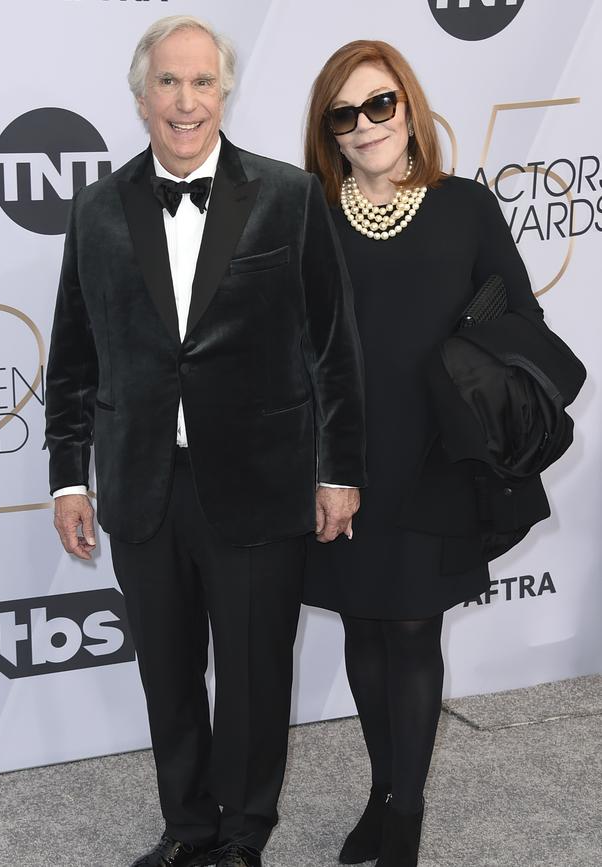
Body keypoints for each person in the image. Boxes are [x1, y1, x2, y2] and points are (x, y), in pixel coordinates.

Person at [45, 16, 366, 867]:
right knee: (170, 676)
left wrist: (339, 470)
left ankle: (242, 833)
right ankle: (186, 828)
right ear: (141, 94)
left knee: (256, 679)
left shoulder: (290, 196)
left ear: (225, 92)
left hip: (261, 481)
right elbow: (72, 355)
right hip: (145, 485)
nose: (185, 103)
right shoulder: (97, 210)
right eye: (168, 83)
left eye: (202, 83)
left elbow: (333, 347)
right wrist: (67, 481)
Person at [303, 40, 548, 867]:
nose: (366, 123)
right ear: (329, 132)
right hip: (346, 463)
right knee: (365, 630)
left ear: (408, 108)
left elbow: (523, 323)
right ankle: (381, 792)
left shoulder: (466, 207)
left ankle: (405, 813)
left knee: (411, 627)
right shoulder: (312, 214)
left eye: (380, 104)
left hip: (439, 458)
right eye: (346, 113)